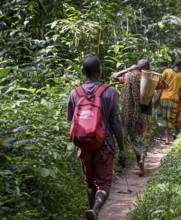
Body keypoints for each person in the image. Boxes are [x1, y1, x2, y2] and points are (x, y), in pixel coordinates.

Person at [67, 56, 126, 220]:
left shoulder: (74, 93)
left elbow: (72, 121)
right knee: (104, 184)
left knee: (90, 183)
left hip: (84, 146)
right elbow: (115, 122)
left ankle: (92, 211)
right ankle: (95, 210)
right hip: (104, 145)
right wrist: (122, 149)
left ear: (82, 71)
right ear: (100, 71)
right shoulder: (110, 92)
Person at [112, 60, 166, 176]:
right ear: (148, 68)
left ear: (137, 67)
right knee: (144, 138)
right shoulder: (152, 80)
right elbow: (166, 85)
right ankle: (142, 159)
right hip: (146, 114)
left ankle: (139, 163)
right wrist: (155, 74)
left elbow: (114, 77)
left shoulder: (130, 78)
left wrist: (128, 69)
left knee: (134, 139)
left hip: (132, 113)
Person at [157, 59, 181, 144]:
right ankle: (177, 135)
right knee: (175, 118)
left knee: (165, 118)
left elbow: (159, 81)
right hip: (174, 99)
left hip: (163, 98)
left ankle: (167, 139)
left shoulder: (166, 71)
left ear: (174, 64)